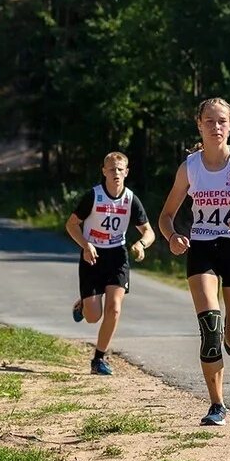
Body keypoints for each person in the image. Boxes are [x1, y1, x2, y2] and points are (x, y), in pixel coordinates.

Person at [156, 97, 230, 426]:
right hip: (203, 247)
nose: (216, 127)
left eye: (222, 121)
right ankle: (216, 405)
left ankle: (228, 337)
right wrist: (172, 237)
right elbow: (166, 216)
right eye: (209, 121)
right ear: (199, 125)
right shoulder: (190, 167)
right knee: (210, 325)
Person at [65, 151, 155, 375]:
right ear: (104, 171)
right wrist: (86, 245)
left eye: (120, 169)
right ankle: (83, 305)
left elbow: (149, 231)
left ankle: (98, 358)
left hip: (117, 255)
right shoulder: (93, 196)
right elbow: (71, 225)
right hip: (92, 255)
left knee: (114, 309)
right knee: (93, 316)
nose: (116, 173)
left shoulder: (130, 199)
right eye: (111, 169)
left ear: (126, 172)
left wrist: (141, 244)